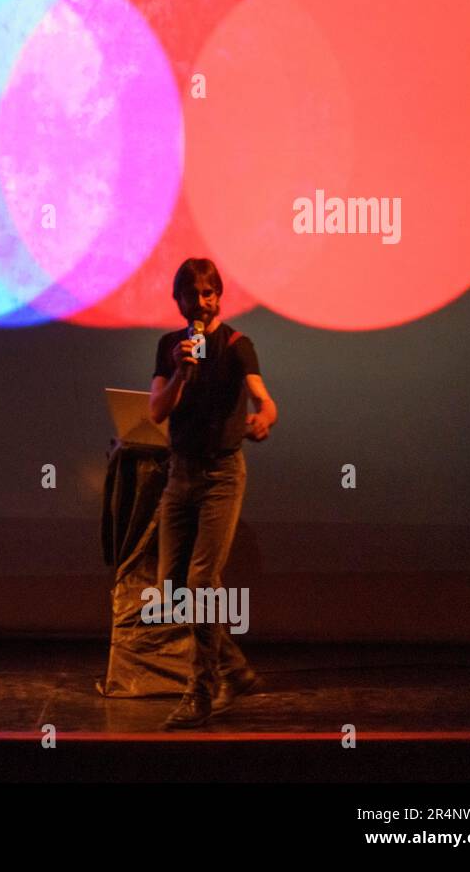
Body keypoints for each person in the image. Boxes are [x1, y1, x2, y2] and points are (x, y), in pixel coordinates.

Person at [149, 258, 278, 728]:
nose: (201, 303)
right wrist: (182, 373)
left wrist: (265, 414)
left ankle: (201, 693)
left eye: (208, 294)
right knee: (171, 590)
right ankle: (235, 668)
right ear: (178, 300)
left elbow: (262, 394)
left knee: (202, 583)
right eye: (192, 295)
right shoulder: (170, 348)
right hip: (180, 475)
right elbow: (156, 412)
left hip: (222, 476)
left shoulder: (238, 346)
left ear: (218, 296)